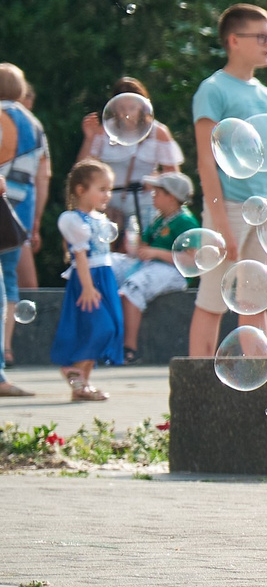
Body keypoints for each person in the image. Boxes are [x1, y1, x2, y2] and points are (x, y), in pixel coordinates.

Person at [190, 6, 267, 361]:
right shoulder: (212, 90)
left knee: (256, 301)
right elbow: (205, 161)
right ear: (233, 41)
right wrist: (222, 224)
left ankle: (260, 387)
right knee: (213, 299)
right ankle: (195, 390)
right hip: (228, 206)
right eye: (260, 36)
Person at [51, 158, 123, 399]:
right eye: (102, 189)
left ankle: (81, 384)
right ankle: (74, 372)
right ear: (81, 190)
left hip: (104, 278)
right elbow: (80, 257)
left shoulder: (100, 219)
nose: (107, 195)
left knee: (109, 328)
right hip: (88, 280)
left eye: (109, 189)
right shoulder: (73, 220)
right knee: (100, 327)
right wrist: (88, 287)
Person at [78, 76, 183, 238]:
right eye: (121, 108)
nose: (126, 113)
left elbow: (174, 177)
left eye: (132, 107)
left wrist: (157, 179)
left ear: (142, 107)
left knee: (144, 253)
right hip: (108, 204)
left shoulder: (158, 132)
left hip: (146, 205)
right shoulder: (103, 131)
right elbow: (82, 171)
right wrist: (89, 138)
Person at [0, 63, 49, 396]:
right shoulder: (34, 123)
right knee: (8, 280)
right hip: (18, 213)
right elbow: (42, 178)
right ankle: (4, 352)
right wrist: (34, 222)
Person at [119, 170, 200, 359]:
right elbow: (143, 247)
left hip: (173, 272)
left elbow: (191, 260)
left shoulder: (185, 221)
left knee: (133, 288)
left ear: (171, 197)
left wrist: (156, 253)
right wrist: (134, 244)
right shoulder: (158, 219)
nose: (153, 195)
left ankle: (129, 348)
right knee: (109, 269)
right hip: (149, 267)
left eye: (158, 192)